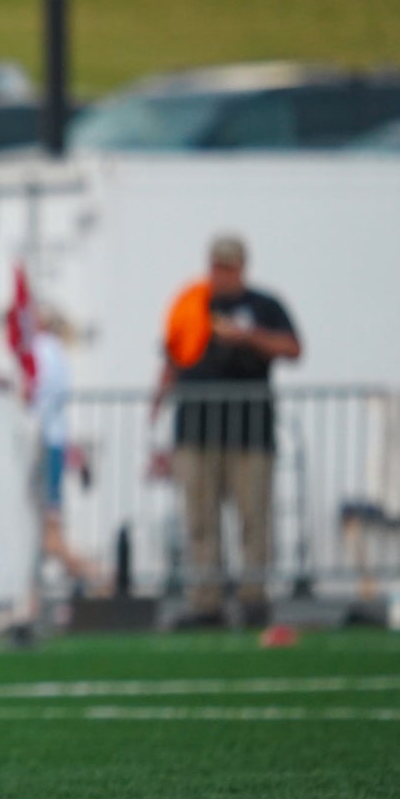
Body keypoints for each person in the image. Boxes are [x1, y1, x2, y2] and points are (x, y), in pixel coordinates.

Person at [151, 234, 302, 628]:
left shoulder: (264, 306)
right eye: (217, 266)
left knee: (253, 518)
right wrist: (156, 403)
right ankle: (206, 603)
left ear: (242, 268)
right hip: (195, 432)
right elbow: (173, 356)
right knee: (200, 521)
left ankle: (253, 600)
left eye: (229, 267)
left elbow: (293, 348)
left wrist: (247, 337)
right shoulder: (191, 303)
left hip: (249, 434)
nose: (222, 274)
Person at [31, 305, 99, 591]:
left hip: (43, 443)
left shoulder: (42, 349)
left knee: (48, 530)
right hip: (51, 441)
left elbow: (35, 394)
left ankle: (97, 577)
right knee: (46, 526)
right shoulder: (55, 350)